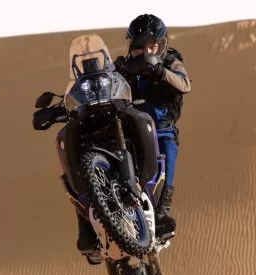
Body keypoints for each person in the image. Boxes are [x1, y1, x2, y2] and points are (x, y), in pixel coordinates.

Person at [76, 13, 191, 254]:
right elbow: (100, 80)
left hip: (160, 129)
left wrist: (158, 71)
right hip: (127, 129)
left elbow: (184, 84)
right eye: (141, 46)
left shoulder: (171, 61)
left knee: (168, 149)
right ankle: (87, 224)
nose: (147, 50)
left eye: (153, 45)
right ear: (132, 46)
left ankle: (161, 214)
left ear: (162, 44)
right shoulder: (121, 64)